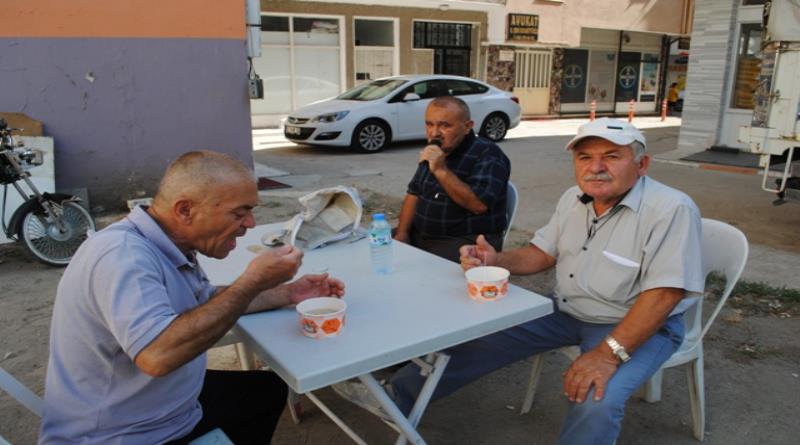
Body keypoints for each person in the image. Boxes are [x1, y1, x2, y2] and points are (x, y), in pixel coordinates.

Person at [380, 118, 704, 444]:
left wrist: (607, 355)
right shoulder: (573, 198)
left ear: (642, 164)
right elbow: (542, 254)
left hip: (636, 322)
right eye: (584, 158)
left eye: (612, 156)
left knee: (596, 397)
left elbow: (665, 295)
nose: (596, 167)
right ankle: (394, 399)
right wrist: (495, 259)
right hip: (566, 308)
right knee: (472, 337)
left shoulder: (670, 209)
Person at [39, 151, 345, 445]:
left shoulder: (168, 243)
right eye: (240, 212)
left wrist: (289, 292)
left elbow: (204, 301)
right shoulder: (123, 257)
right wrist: (252, 281)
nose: (251, 224)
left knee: (267, 389)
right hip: (124, 434)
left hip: (166, 405)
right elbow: (158, 356)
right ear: (185, 210)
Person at [393, 96, 510, 262]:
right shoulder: (434, 149)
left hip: (465, 241)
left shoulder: (488, 154)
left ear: (467, 126)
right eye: (429, 124)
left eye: (445, 125)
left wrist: (441, 170)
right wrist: (402, 233)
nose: (434, 133)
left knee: (414, 271)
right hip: (421, 235)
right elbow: (414, 193)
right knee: (375, 249)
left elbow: (478, 205)